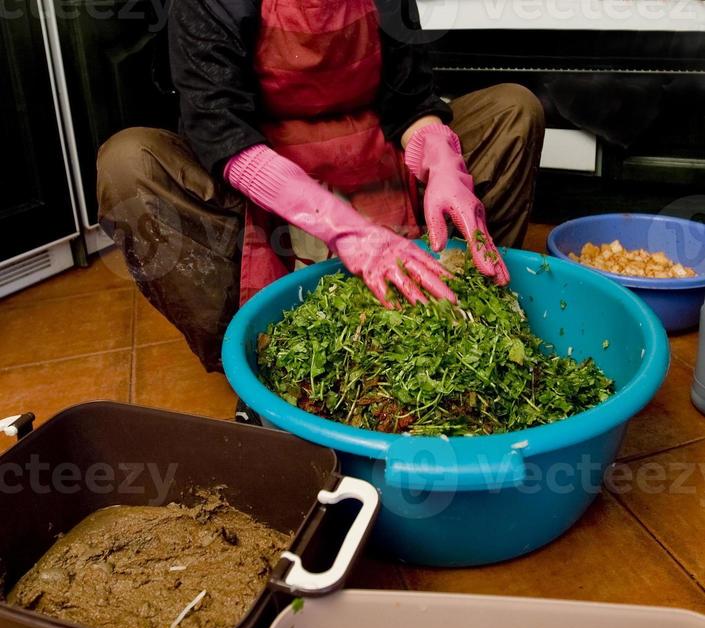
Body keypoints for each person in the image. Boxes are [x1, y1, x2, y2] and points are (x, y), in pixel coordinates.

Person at [97, 0, 544, 373]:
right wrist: (346, 229)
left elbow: (409, 100)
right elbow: (220, 132)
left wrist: (440, 155)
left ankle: (467, 309)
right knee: (127, 163)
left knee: (514, 110)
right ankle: (255, 359)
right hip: (263, 172)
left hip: (374, 151)